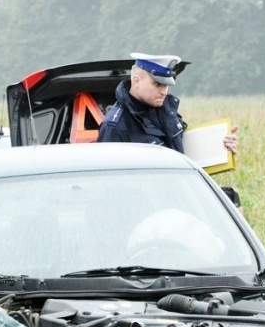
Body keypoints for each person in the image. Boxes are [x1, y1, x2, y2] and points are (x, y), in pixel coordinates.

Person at [98, 53, 241, 210]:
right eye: (157, 84)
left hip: (177, 197)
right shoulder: (115, 126)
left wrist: (222, 146)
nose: (164, 91)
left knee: (233, 203)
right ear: (136, 81)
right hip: (144, 208)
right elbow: (109, 186)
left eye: (166, 85)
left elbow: (184, 153)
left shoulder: (167, 110)